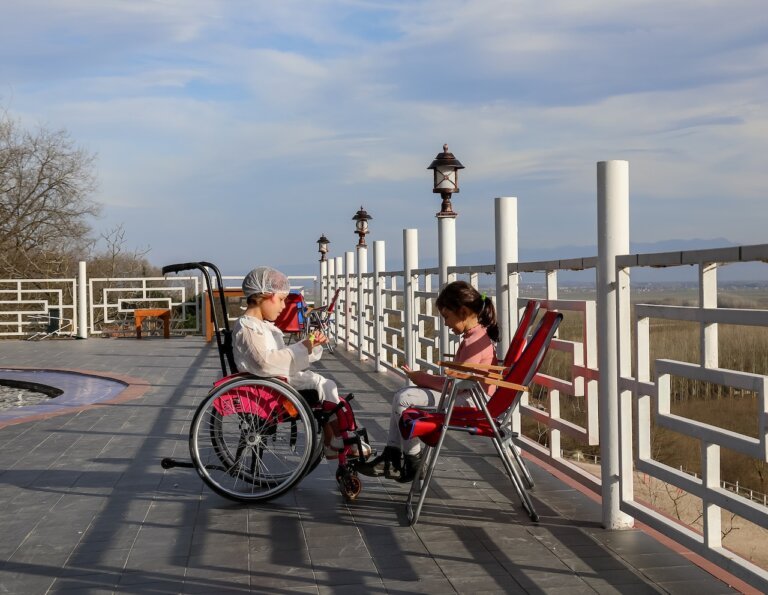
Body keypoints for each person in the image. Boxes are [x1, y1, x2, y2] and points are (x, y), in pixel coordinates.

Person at [358, 280, 499, 482]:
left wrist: (421, 378)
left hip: (473, 403)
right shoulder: (476, 337)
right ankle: (397, 457)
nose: (445, 323)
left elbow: (454, 386)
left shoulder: (474, 342)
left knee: (404, 398)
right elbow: (457, 382)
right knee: (402, 396)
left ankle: (408, 460)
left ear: (463, 311)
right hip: (469, 397)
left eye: (447, 316)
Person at [231, 266, 370, 458]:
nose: (282, 306)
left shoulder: (259, 326)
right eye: (280, 300)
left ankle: (337, 439)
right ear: (265, 295)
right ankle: (339, 439)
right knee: (323, 388)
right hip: (269, 391)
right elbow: (266, 363)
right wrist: (304, 346)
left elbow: (277, 358)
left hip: (274, 384)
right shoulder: (248, 327)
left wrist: (309, 346)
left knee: (326, 387)